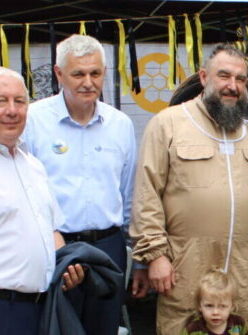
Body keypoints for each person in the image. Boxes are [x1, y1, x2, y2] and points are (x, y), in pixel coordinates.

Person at [130, 44, 248, 335]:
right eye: (224, 76)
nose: (232, 86)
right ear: (204, 77)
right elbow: (147, 194)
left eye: (241, 79)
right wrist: (155, 256)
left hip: (241, 271)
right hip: (183, 267)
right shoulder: (167, 125)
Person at [22, 34, 143, 334]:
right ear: (58, 73)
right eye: (78, 73)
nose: (88, 82)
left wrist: (137, 259)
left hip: (108, 249)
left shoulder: (120, 124)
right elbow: (25, 192)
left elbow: (129, 196)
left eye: (96, 73)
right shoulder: (33, 120)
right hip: (56, 249)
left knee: (105, 328)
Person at [0, 67, 84, 335]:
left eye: (20, 101)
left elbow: (51, 228)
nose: (12, 110)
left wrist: (67, 266)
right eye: (1, 101)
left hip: (42, 308)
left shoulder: (33, 164)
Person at [181, 269, 248, 335]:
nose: (215, 312)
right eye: (209, 305)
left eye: (222, 306)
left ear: (232, 306)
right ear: (199, 305)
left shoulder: (239, 324)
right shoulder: (192, 329)